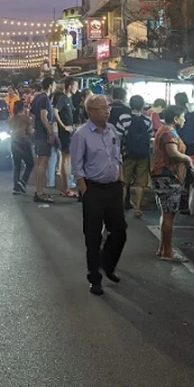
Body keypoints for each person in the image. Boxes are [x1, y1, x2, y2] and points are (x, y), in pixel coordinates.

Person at [72, 95, 126, 296]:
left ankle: (108, 264)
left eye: (108, 107)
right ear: (91, 112)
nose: (107, 111)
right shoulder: (81, 135)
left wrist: (120, 179)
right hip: (93, 189)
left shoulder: (112, 130)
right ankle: (94, 277)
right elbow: (77, 167)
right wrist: (85, 190)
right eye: (103, 108)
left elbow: (117, 156)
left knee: (119, 231)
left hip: (113, 188)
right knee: (93, 236)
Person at [152, 106, 193, 262]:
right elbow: (172, 152)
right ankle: (168, 252)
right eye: (182, 116)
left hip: (163, 176)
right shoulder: (168, 132)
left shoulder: (165, 130)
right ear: (176, 119)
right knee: (168, 214)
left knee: (166, 213)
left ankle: (163, 248)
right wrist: (187, 159)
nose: (184, 119)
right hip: (168, 177)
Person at [118, 95, 154, 219]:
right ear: (142, 105)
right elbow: (150, 137)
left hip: (127, 154)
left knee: (124, 182)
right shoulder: (147, 120)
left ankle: (120, 208)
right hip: (143, 155)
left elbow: (119, 136)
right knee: (140, 183)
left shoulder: (124, 118)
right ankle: (137, 208)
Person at [30, 76, 58, 204]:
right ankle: (40, 192)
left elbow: (32, 116)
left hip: (38, 134)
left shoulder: (36, 98)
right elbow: (43, 117)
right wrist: (50, 132)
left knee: (39, 163)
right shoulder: (44, 99)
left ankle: (39, 190)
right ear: (51, 85)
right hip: (43, 135)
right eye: (55, 85)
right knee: (43, 163)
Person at [55, 79, 79, 197]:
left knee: (65, 159)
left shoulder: (69, 99)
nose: (76, 88)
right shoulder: (63, 98)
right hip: (65, 134)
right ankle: (66, 188)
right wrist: (64, 126)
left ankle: (66, 187)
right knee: (65, 160)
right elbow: (55, 111)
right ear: (69, 86)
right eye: (75, 85)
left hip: (70, 132)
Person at [8, 100, 34, 194]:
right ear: (23, 108)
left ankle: (16, 187)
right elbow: (30, 131)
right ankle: (23, 181)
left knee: (17, 165)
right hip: (24, 141)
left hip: (14, 142)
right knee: (30, 164)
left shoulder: (11, 119)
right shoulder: (26, 118)